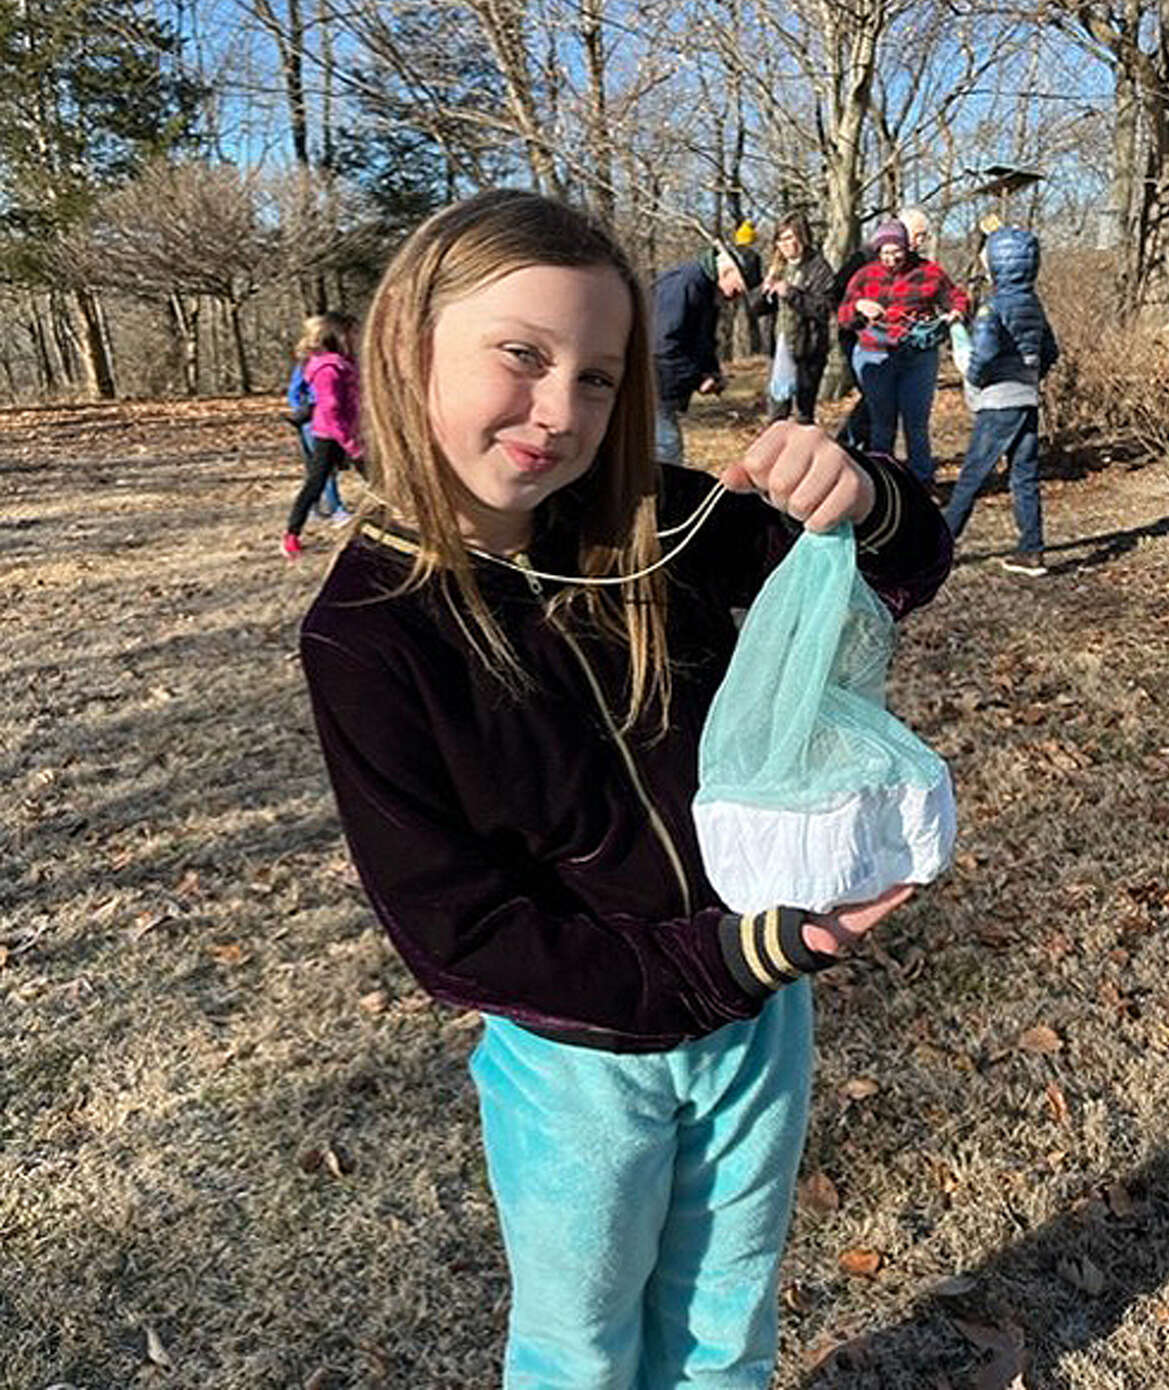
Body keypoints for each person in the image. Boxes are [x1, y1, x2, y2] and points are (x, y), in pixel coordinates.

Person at [299, 188, 953, 1388]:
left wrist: (861, 493)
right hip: (575, 1061)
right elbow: (458, 935)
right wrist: (727, 959)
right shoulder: (366, 634)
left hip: (757, 1028)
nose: (559, 409)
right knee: (580, 1349)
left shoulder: (657, 523)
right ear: (408, 349)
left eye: (598, 377)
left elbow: (903, 572)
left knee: (723, 1332)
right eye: (522, 354)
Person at [942, 225, 1059, 577]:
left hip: (998, 402)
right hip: (1026, 399)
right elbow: (1050, 351)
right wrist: (1030, 376)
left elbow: (986, 352)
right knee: (1024, 476)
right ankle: (1031, 551)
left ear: (998, 264)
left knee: (972, 476)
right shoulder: (1032, 304)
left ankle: (939, 546)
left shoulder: (993, 308)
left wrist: (973, 377)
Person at [837, 218, 968, 490]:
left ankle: (922, 481)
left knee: (916, 422)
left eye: (896, 251)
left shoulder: (929, 272)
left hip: (917, 356)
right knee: (882, 423)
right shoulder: (864, 275)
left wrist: (956, 313)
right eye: (884, 252)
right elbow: (843, 316)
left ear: (906, 247)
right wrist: (860, 306)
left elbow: (956, 296)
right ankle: (882, 482)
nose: (891, 258)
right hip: (875, 353)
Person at [651, 242, 747, 463]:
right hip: (652, 384)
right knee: (666, 450)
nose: (737, 295)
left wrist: (711, 373)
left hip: (664, 388)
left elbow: (704, 342)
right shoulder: (684, 284)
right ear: (727, 270)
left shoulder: (706, 291)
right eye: (739, 287)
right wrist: (697, 378)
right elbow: (662, 344)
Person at [281, 311, 361, 559]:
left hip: (346, 431)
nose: (357, 338)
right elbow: (331, 410)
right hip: (330, 435)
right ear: (338, 336)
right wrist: (350, 443)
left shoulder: (344, 363)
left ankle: (406, 518)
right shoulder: (328, 369)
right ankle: (291, 535)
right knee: (315, 483)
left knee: (378, 479)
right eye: (352, 333)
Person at [753, 212, 835, 423]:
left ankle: (801, 454)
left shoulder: (819, 267)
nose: (785, 244)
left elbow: (823, 309)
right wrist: (764, 290)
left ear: (802, 236)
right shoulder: (776, 267)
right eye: (781, 239)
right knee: (776, 413)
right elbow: (756, 309)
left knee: (803, 415)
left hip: (808, 351)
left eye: (790, 238)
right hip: (778, 347)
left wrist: (790, 293)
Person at [285, 322, 347, 523]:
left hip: (329, 418)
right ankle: (335, 508)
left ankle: (315, 507)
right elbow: (294, 392)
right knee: (322, 468)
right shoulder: (307, 364)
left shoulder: (338, 362)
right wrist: (303, 409)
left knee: (320, 469)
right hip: (313, 419)